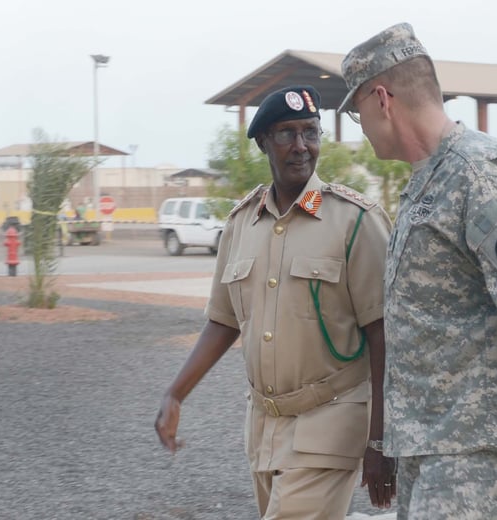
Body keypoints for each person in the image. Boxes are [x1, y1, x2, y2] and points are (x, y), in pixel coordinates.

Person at [338, 23, 497, 519]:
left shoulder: (477, 174)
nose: (358, 124)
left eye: (356, 108)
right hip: (425, 438)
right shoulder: (428, 179)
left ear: (382, 98)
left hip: (467, 441)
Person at [155, 84, 396, 519]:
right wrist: (175, 394)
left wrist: (380, 440)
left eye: (310, 132)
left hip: (332, 421)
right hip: (264, 427)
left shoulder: (354, 221)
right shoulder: (242, 223)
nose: (301, 146)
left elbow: (383, 334)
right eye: (286, 134)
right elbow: (223, 320)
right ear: (264, 142)